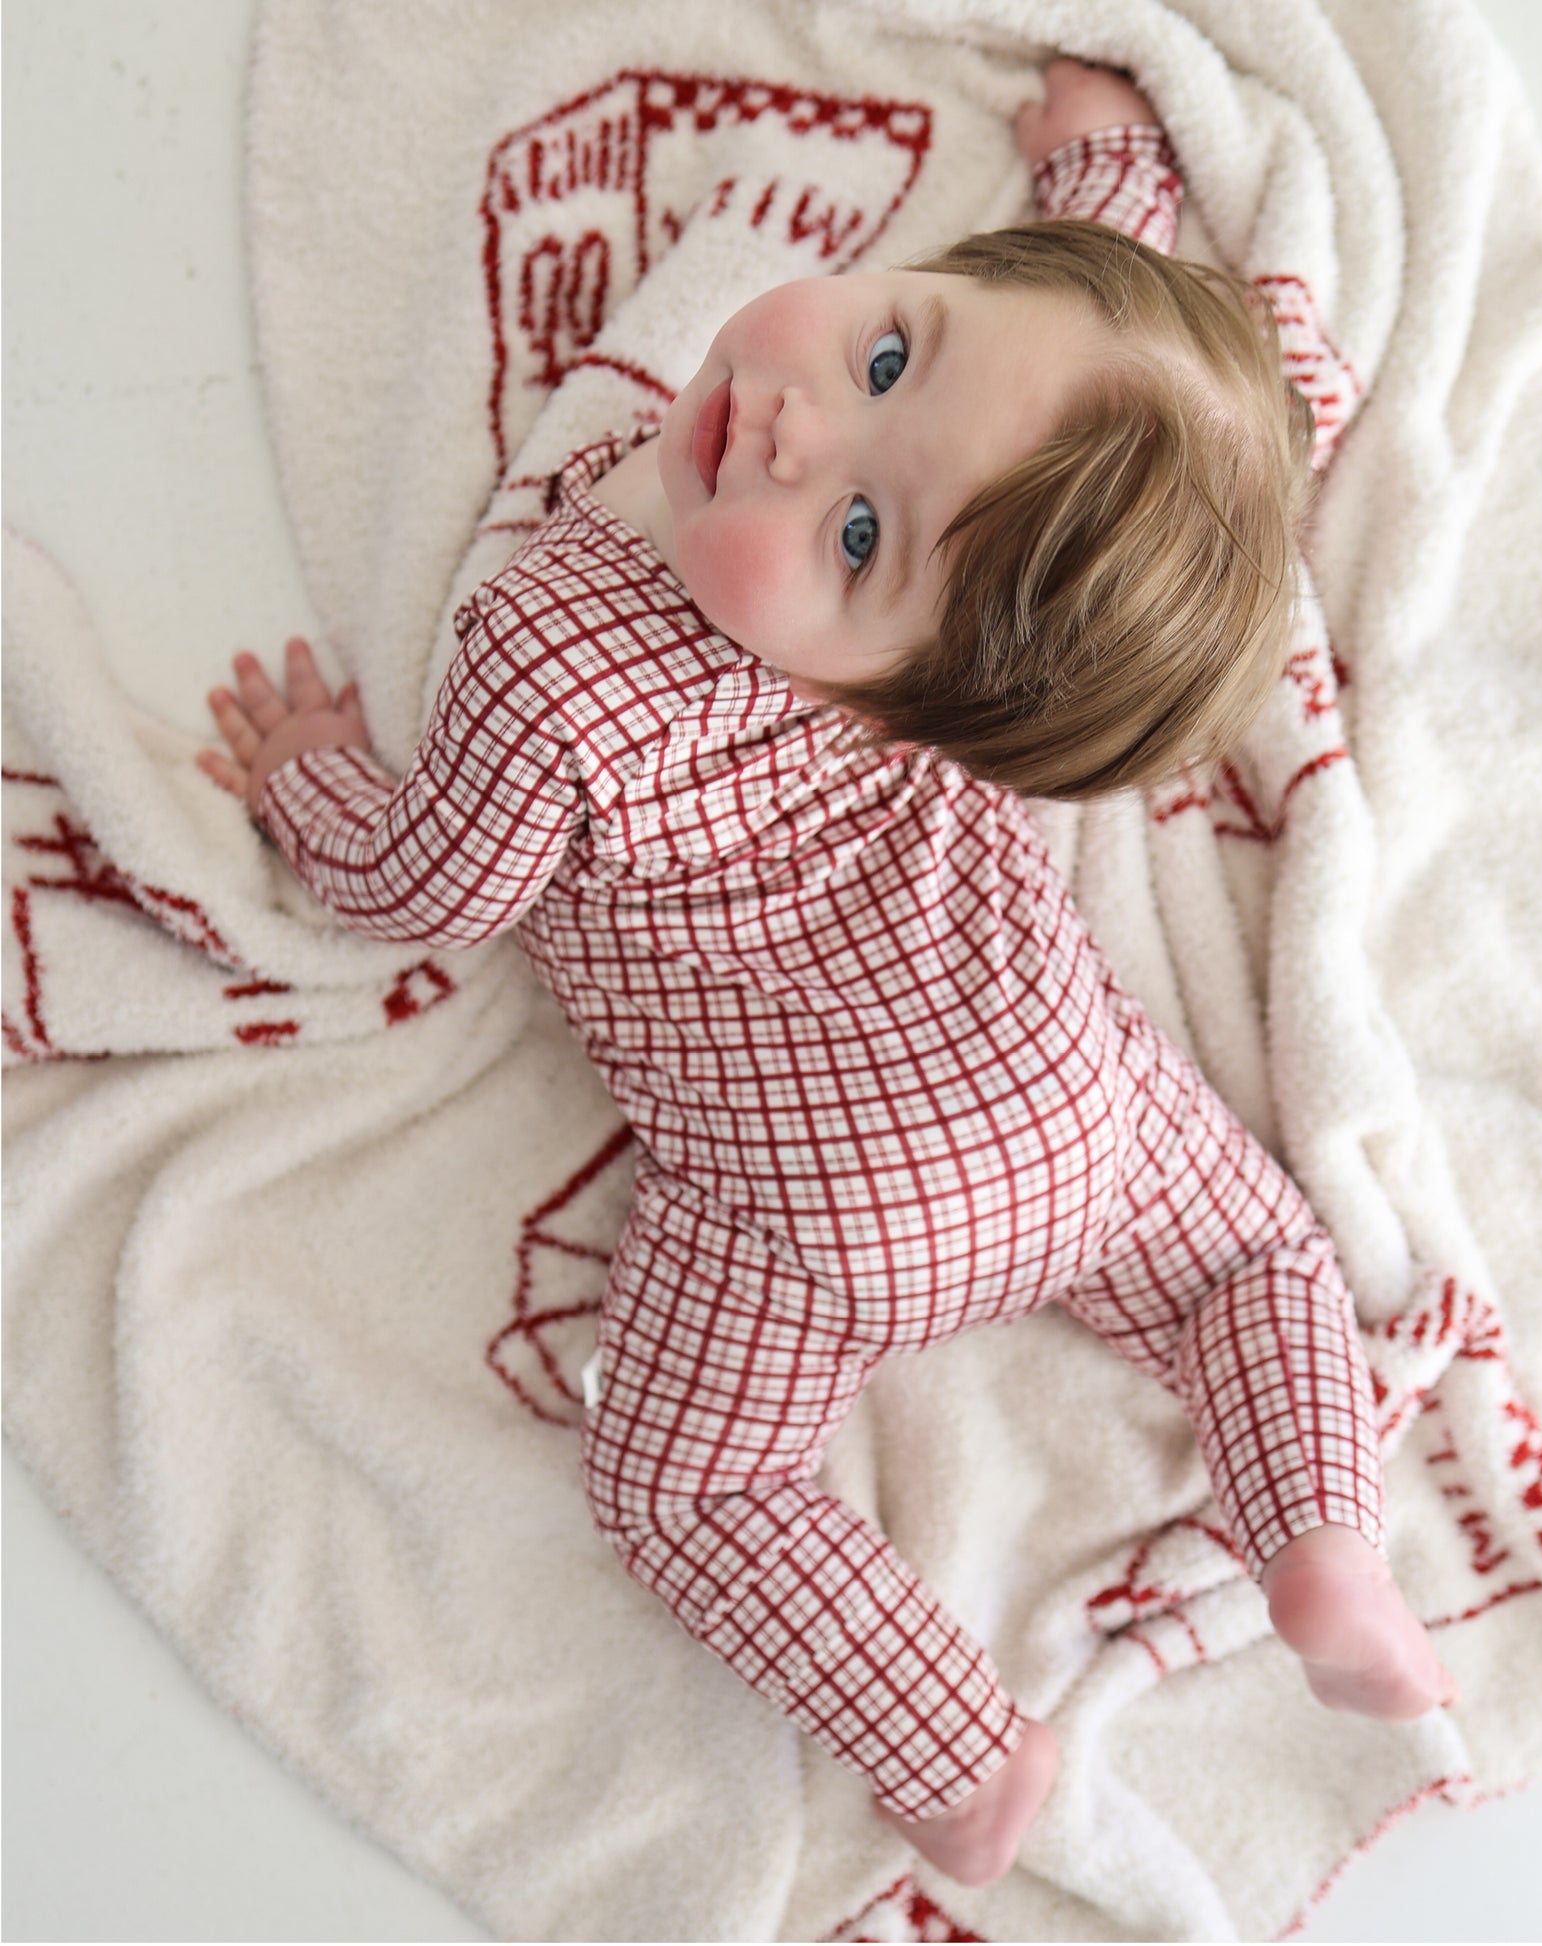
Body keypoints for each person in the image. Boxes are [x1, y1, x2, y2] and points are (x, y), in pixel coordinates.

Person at [200, 58, 1453, 1889]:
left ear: (929, 694)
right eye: (883, 356)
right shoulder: (990, 495)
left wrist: (310, 780)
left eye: (858, 539)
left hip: (814, 1210)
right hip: (1064, 1097)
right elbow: (1054, 294)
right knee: (1260, 1259)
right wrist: (1106, 167)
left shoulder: (560, 652)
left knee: (687, 1480)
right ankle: (1322, 1538)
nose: (795, 431)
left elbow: (425, 890)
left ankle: (952, 1747)